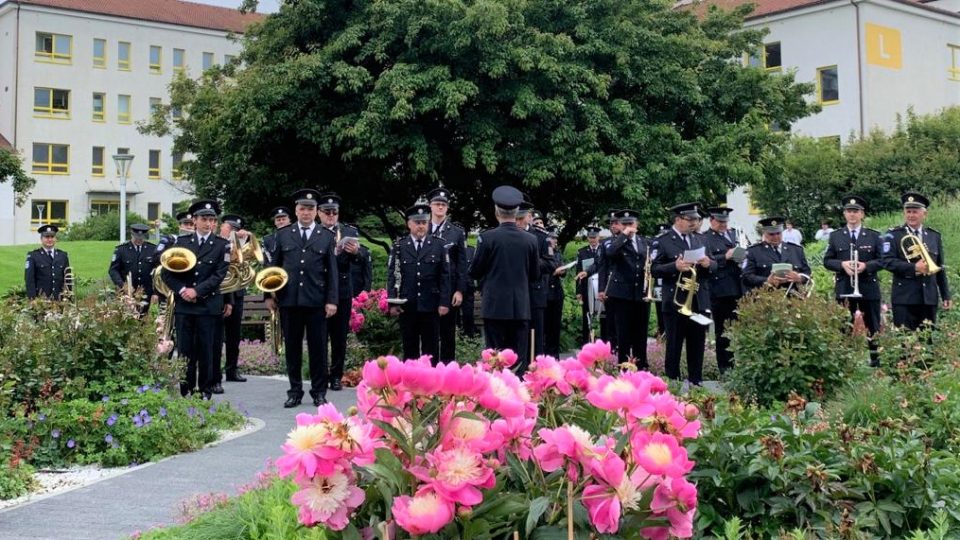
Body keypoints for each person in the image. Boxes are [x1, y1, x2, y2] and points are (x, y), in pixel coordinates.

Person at [265, 189, 339, 407]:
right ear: (296, 210)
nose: (306, 212)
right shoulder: (283, 234)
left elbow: (332, 272)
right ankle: (295, 391)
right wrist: (268, 294)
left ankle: (319, 392)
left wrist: (332, 300)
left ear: (316, 212)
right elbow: (273, 267)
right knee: (293, 349)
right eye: (302, 208)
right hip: (290, 300)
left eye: (310, 209)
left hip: (316, 301)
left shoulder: (326, 236)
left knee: (318, 349)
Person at [161, 199, 231, 399]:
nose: (208, 223)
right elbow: (167, 274)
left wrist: (196, 291)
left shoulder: (222, 245)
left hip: (208, 306)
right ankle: (186, 390)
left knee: (207, 351)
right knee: (185, 352)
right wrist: (183, 290)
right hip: (184, 306)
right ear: (194, 220)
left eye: (212, 220)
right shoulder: (181, 243)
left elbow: (219, 275)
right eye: (204, 219)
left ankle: (205, 392)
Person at [468, 186, 540, 374]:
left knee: (494, 360)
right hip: (520, 308)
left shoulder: (487, 238)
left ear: (496, 211)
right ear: (517, 212)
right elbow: (534, 275)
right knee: (518, 360)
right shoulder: (530, 240)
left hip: (494, 307)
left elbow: (475, 271)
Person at [652, 203, 715, 385]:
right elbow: (654, 269)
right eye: (690, 219)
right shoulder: (663, 241)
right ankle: (672, 384)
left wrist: (707, 263)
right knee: (674, 345)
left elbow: (715, 266)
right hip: (675, 302)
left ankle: (697, 383)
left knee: (697, 345)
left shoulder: (700, 240)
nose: (693, 223)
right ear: (678, 219)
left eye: (696, 219)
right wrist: (675, 266)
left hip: (697, 301)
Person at [823, 196, 884, 366]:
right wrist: (842, 264)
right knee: (843, 326)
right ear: (844, 214)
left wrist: (866, 266)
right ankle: (844, 362)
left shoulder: (873, 236)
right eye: (849, 211)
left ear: (862, 214)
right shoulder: (836, 236)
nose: (852, 215)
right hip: (844, 287)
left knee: (873, 325)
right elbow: (827, 261)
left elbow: (882, 260)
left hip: (868, 286)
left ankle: (875, 361)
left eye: (856, 211)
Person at [388, 201, 451, 361]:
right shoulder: (399, 246)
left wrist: (444, 302)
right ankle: (411, 382)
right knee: (410, 348)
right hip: (407, 305)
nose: (421, 226)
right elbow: (393, 275)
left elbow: (445, 276)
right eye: (417, 223)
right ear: (409, 224)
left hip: (431, 304)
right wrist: (393, 303)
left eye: (424, 222)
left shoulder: (438, 245)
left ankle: (431, 382)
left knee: (431, 349)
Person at [881, 192, 951, 330]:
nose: (911, 215)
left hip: (928, 298)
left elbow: (940, 267)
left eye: (915, 212)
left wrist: (945, 294)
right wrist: (914, 268)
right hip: (904, 298)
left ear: (924, 214)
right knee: (905, 343)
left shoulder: (933, 236)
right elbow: (887, 261)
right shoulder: (893, 235)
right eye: (908, 211)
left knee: (927, 342)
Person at [317, 193, 360, 392]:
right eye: (327, 213)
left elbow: (361, 262)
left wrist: (355, 253)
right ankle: (321, 375)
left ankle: (336, 375)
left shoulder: (348, 231)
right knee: (319, 335)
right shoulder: (315, 233)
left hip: (342, 290)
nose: (331, 216)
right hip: (320, 289)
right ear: (319, 213)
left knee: (339, 336)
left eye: (334, 213)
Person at [601, 209, 651, 367]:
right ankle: (623, 367)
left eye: (631, 223)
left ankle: (641, 366)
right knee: (623, 334)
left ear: (637, 224)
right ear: (619, 225)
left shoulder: (644, 241)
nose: (629, 226)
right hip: (622, 294)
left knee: (640, 334)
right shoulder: (615, 243)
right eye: (624, 224)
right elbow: (610, 254)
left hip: (640, 293)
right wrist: (624, 236)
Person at [426, 187, 467, 363]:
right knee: (429, 335)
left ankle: (448, 375)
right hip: (428, 290)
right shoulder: (422, 227)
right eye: (437, 204)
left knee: (448, 335)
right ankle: (430, 373)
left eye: (443, 204)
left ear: (447, 208)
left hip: (449, 291)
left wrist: (460, 290)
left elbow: (462, 265)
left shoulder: (456, 232)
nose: (440, 207)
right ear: (430, 206)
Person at [703, 207, 743, 373]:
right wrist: (725, 257)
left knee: (737, 329)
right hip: (720, 289)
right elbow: (708, 262)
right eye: (719, 222)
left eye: (725, 222)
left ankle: (738, 364)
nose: (723, 225)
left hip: (737, 286)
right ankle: (725, 367)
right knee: (723, 331)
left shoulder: (734, 234)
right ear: (711, 220)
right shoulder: (706, 238)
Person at [517, 198, 558, 361]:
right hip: (514, 292)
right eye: (516, 218)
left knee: (536, 339)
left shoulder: (542, 237)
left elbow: (550, 263)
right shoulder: (509, 234)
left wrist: (529, 261)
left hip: (534, 293)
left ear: (529, 217)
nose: (519, 222)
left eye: (522, 218)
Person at [217, 214, 249, 386]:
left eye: (235, 230)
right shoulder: (216, 243)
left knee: (234, 335)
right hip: (219, 294)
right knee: (216, 335)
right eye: (229, 228)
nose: (232, 232)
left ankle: (232, 370)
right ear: (222, 227)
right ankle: (214, 372)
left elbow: (254, 252)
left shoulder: (240, 246)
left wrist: (247, 237)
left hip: (237, 293)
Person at [742, 217, 812, 293]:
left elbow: (808, 273)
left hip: (794, 298)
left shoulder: (796, 250)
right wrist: (766, 280)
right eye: (771, 234)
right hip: (765, 298)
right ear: (764, 233)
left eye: (778, 233)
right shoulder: (754, 251)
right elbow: (746, 277)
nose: (776, 237)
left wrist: (799, 278)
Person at [107, 223, 157, 316]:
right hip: (128, 293)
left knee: (145, 320)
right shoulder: (121, 250)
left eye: (141, 238)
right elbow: (113, 270)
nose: (139, 240)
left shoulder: (152, 249)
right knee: (128, 319)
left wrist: (156, 292)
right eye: (136, 238)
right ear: (132, 235)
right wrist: (123, 285)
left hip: (147, 293)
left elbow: (158, 272)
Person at [25, 225, 71, 300]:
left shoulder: (62, 255)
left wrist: (69, 297)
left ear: (55, 238)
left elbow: (68, 279)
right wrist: (32, 300)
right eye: (47, 237)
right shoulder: (33, 256)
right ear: (41, 239)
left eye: (52, 237)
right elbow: (29, 280)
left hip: (60, 300)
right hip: (41, 301)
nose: (50, 239)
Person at [575, 226, 602, 344]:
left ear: (599, 237)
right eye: (590, 238)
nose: (592, 240)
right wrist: (579, 291)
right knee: (587, 316)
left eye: (594, 237)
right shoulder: (582, 252)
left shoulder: (603, 250)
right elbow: (578, 272)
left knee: (602, 316)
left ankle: (602, 342)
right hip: (587, 288)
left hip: (601, 287)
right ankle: (587, 342)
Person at [544, 227, 566, 357]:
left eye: (556, 238)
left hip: (557, 293)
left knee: (555, 326)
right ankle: (545, 353)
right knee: (545, 326)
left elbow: (562, 269)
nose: (555, 241)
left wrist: (562, 270)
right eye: (553, 238)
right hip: (545, 293)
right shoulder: (543, 253)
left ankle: (555, 354)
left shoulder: (557, 253)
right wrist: (554, 271)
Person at [459, 241, 478, 337]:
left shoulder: (471, 250)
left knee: (468, 314)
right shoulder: (453, 249)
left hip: (468, 287)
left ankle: (469, 335)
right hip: (454, 286)